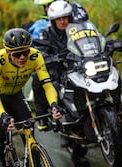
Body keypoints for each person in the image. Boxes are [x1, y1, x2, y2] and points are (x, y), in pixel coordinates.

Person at [0, 28, 62, 167]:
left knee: (30, 132)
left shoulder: (35, 56)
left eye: (25, 52)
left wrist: (54, 105)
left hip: (15, 95)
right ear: (8, 52)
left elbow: (47, 86)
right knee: (1, 123)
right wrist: (3, 115)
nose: (22, 57)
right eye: (17, 53)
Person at [30, 0, 88, 131]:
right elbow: (40, 50)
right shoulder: (46, 33)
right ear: (53, 20)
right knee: (38, 77)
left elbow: (91, 40)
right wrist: (47, 56)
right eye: (59, 19)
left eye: (65, 18)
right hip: (58, 71)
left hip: (79, 68)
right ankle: (42, 116)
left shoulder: (79, 30)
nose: (62, 22)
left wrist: (106, 43)